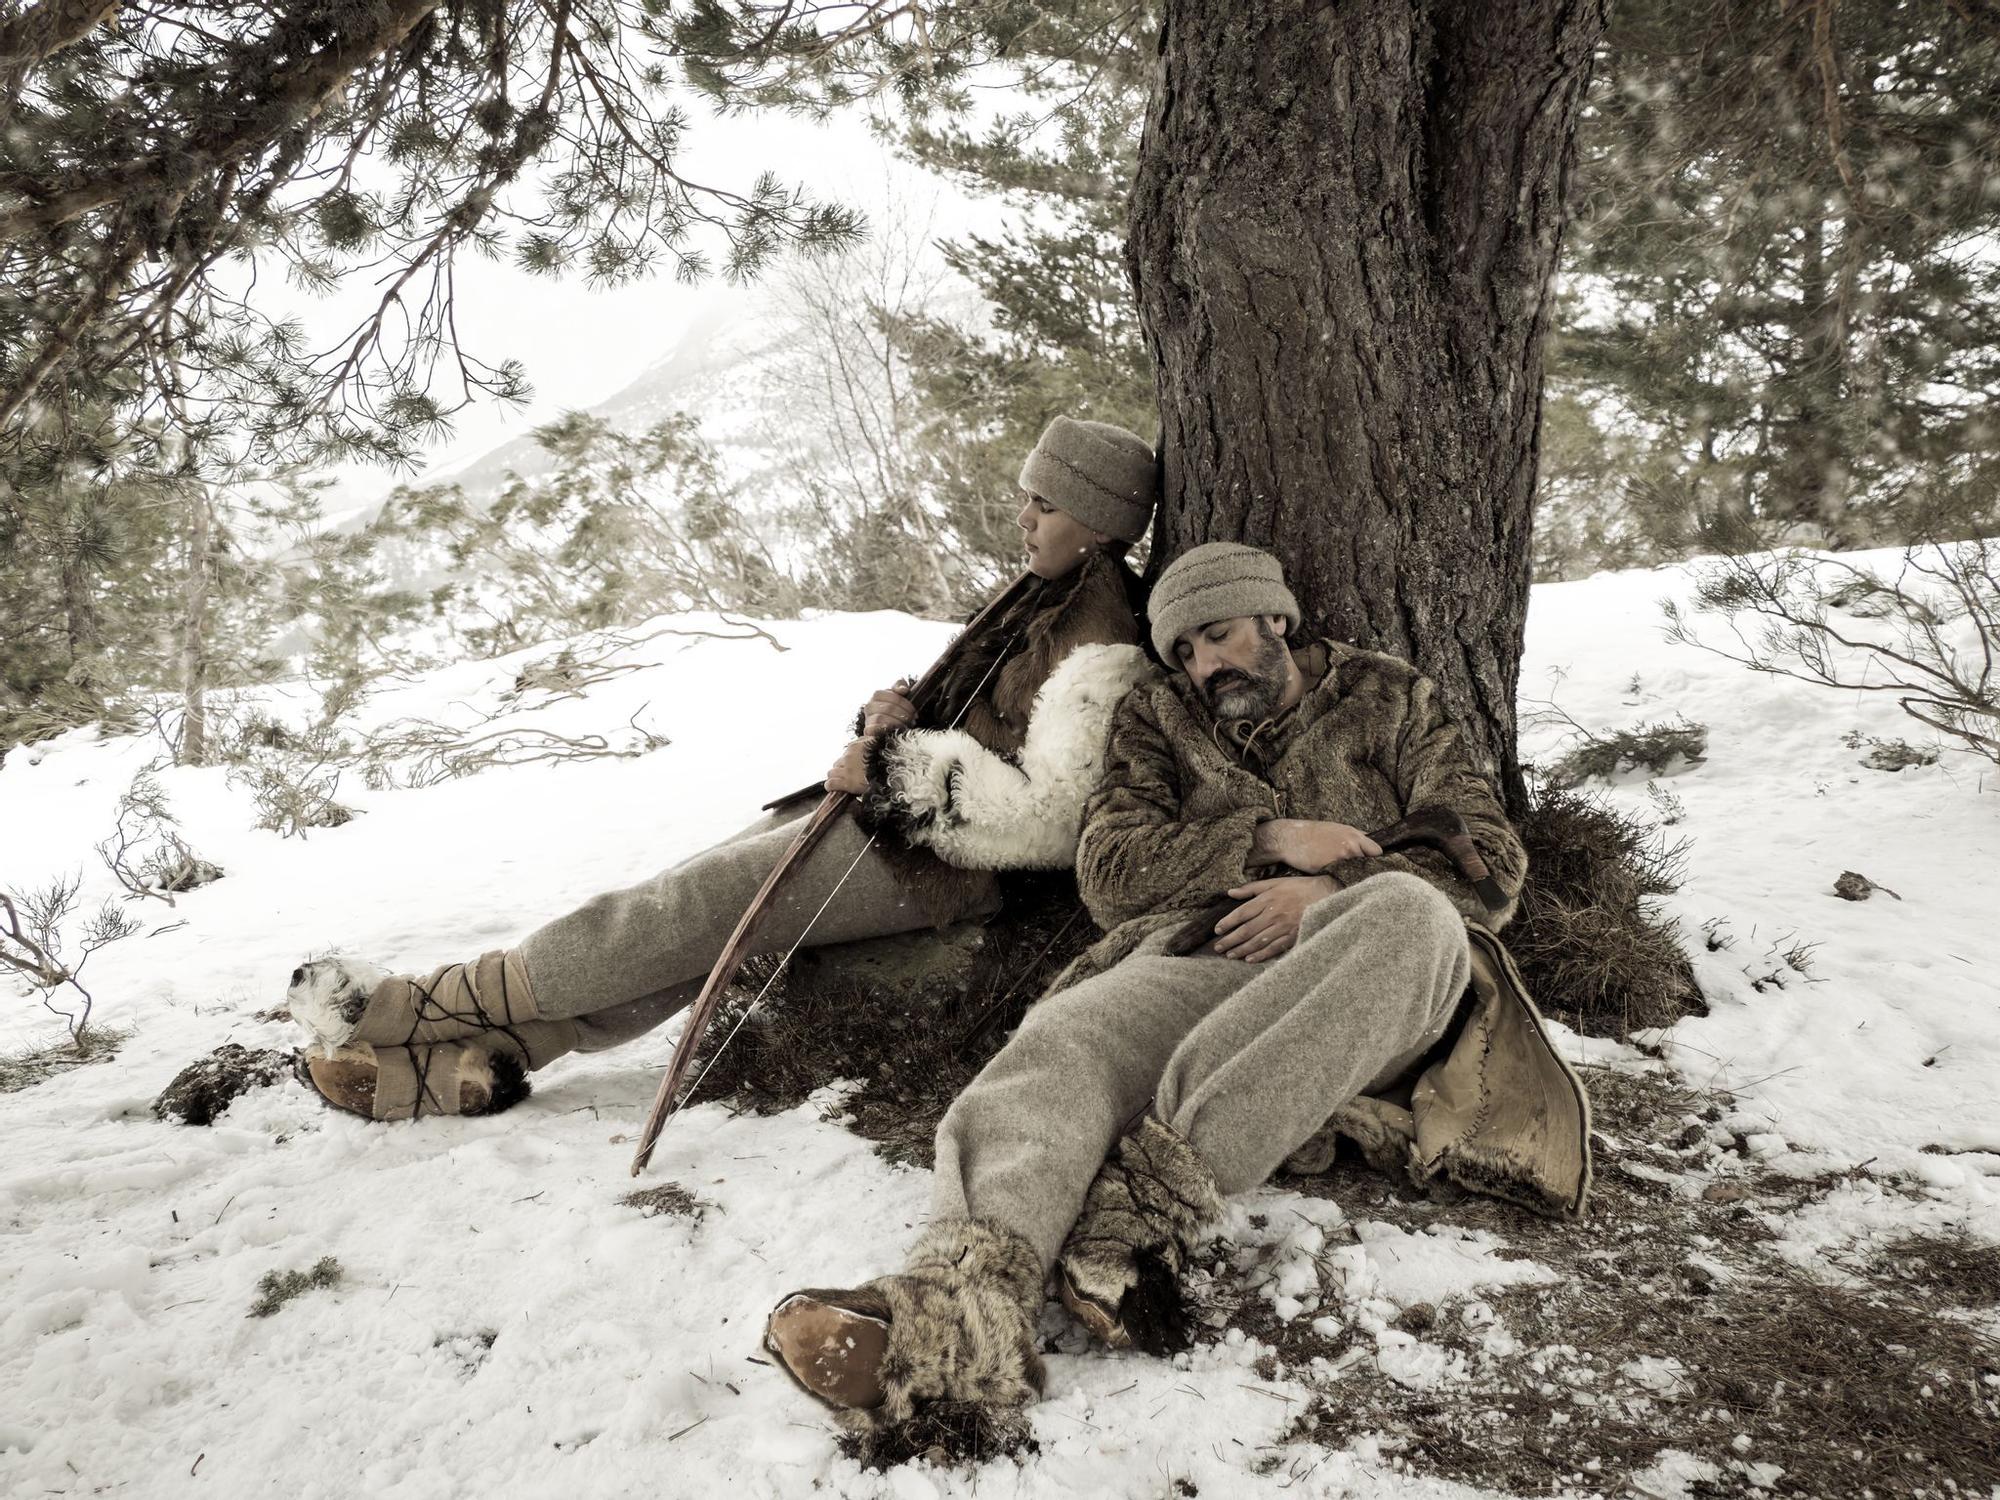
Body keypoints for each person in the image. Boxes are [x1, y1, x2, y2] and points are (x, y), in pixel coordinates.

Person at [762, 542, 1591, 1438]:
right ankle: (948, 1323)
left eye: (1223, 636)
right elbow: (1110, 873)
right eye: (1187, 650)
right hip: (1207, 957)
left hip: (1379, 974)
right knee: (1070, 1034)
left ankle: (1136, 1215)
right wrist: (1271, 839)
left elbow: (1492, 866)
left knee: (1409, 910)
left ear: (1278, 619)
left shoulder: (1390, 697)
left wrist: (1331, 892)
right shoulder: (1159, 716)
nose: (1207, 666)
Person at [286, 417, 1160, 1120]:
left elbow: (1052, 813)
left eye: (1044, 503)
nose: (1024, 519)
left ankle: (408, 1008)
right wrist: (892, 716)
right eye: (1027, 500)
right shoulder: (1036, 596)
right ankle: (474, 1067)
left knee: (678, 912)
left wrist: (894, 764)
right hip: (888, 827)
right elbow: (975, 718)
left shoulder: (1099, 636)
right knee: (683, 919)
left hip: (934, 863)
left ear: (1101, 520)